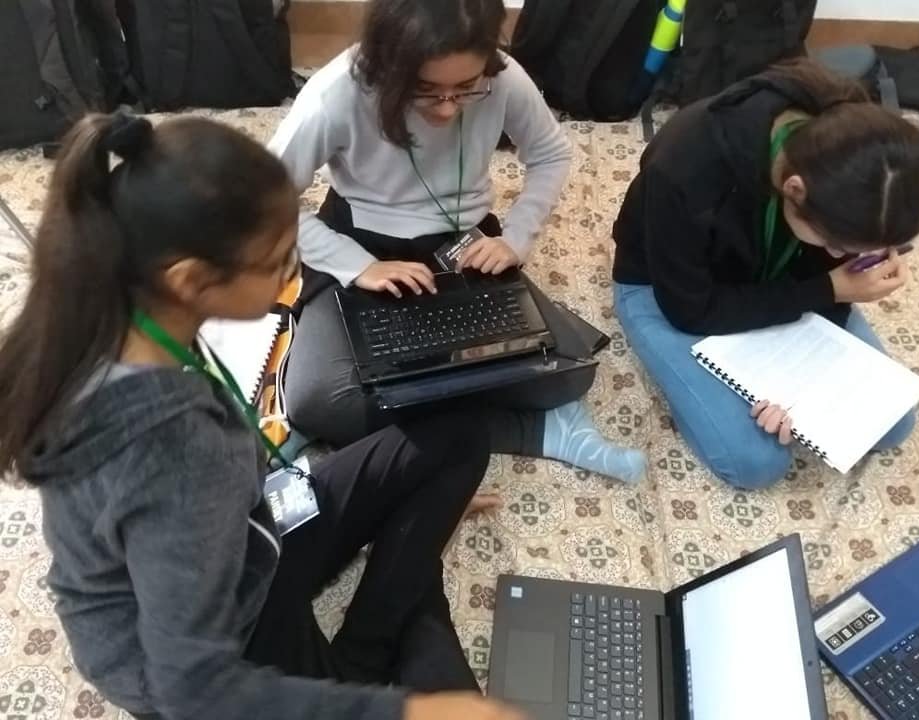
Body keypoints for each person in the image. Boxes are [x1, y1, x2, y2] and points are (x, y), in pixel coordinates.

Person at [0, 113, 526, 720]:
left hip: (248, 538)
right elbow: (193, 688)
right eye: (278, 261)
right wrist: (405, 713)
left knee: (458, 435)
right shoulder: (179, 449)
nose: (293, 274)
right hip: (209, 650)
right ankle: (371, 654)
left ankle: (372, 635)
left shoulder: (111, 316)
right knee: (429, 687)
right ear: (192, 279)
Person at [268, 0, 646, 485]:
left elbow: (550, 153)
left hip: (463, 244)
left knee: (570, 373)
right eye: (425, 90)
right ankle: (534, 431)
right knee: (317, 402)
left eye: (466, 88)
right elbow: (263, 196)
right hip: (362, 242)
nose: (448, 108)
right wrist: (355, 264)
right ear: (389, 65)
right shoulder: (338, 91)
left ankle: (389, 418)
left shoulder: (502, 76)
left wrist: (516, 238)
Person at [612, 60, 919, 490]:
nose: (841, 257)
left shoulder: (854, 133)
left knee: (892, 422)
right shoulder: (684, 167)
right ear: (795, 189)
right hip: (667, 290)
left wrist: (803, 374)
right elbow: (690, 309)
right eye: (837, 244)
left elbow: (828, 272)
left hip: (782, 280)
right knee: (758, 462)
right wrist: (827, 290)